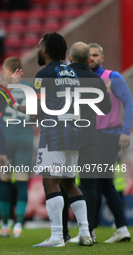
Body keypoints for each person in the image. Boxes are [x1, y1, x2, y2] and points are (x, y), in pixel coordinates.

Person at [12, 33, 93, 247]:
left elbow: (38, 111)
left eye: (39, 46)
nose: (38, 50)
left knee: (49, 181)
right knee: (68, 182)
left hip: (54, 133)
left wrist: (13, 101)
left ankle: (57, 236)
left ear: (45, 50)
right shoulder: (71, 73)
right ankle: (85, 232)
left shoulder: (43, 74)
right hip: (74, 132)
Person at [65, 42, 112, 243]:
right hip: (89, 137)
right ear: (88, 59)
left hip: (66, 136)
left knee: (63, 183)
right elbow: (106, 108)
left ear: (70, 57)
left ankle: (63, 232)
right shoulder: (95, 79)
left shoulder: (63, 78)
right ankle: (89, 231)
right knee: (90, 185)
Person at [89, 42, 133, 243]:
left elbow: (129, 103)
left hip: (109, 134)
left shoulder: (113, 77)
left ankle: (89, 231)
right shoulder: (83, 79)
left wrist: (126, 132)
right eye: (89, 55)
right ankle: (121, 228)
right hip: (91, 138)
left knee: (96, 181)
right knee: (105, 183)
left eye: (96, 55)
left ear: (102, 58)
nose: (92, 58)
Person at [0, 56, 33, 238]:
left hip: (6, 138)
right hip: (25, 137)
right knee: (22, 181)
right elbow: (35, 113)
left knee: (4, 180)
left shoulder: (1, 88)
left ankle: (4, 225)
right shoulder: (30, 88)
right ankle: (18, 225)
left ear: (8, 70)